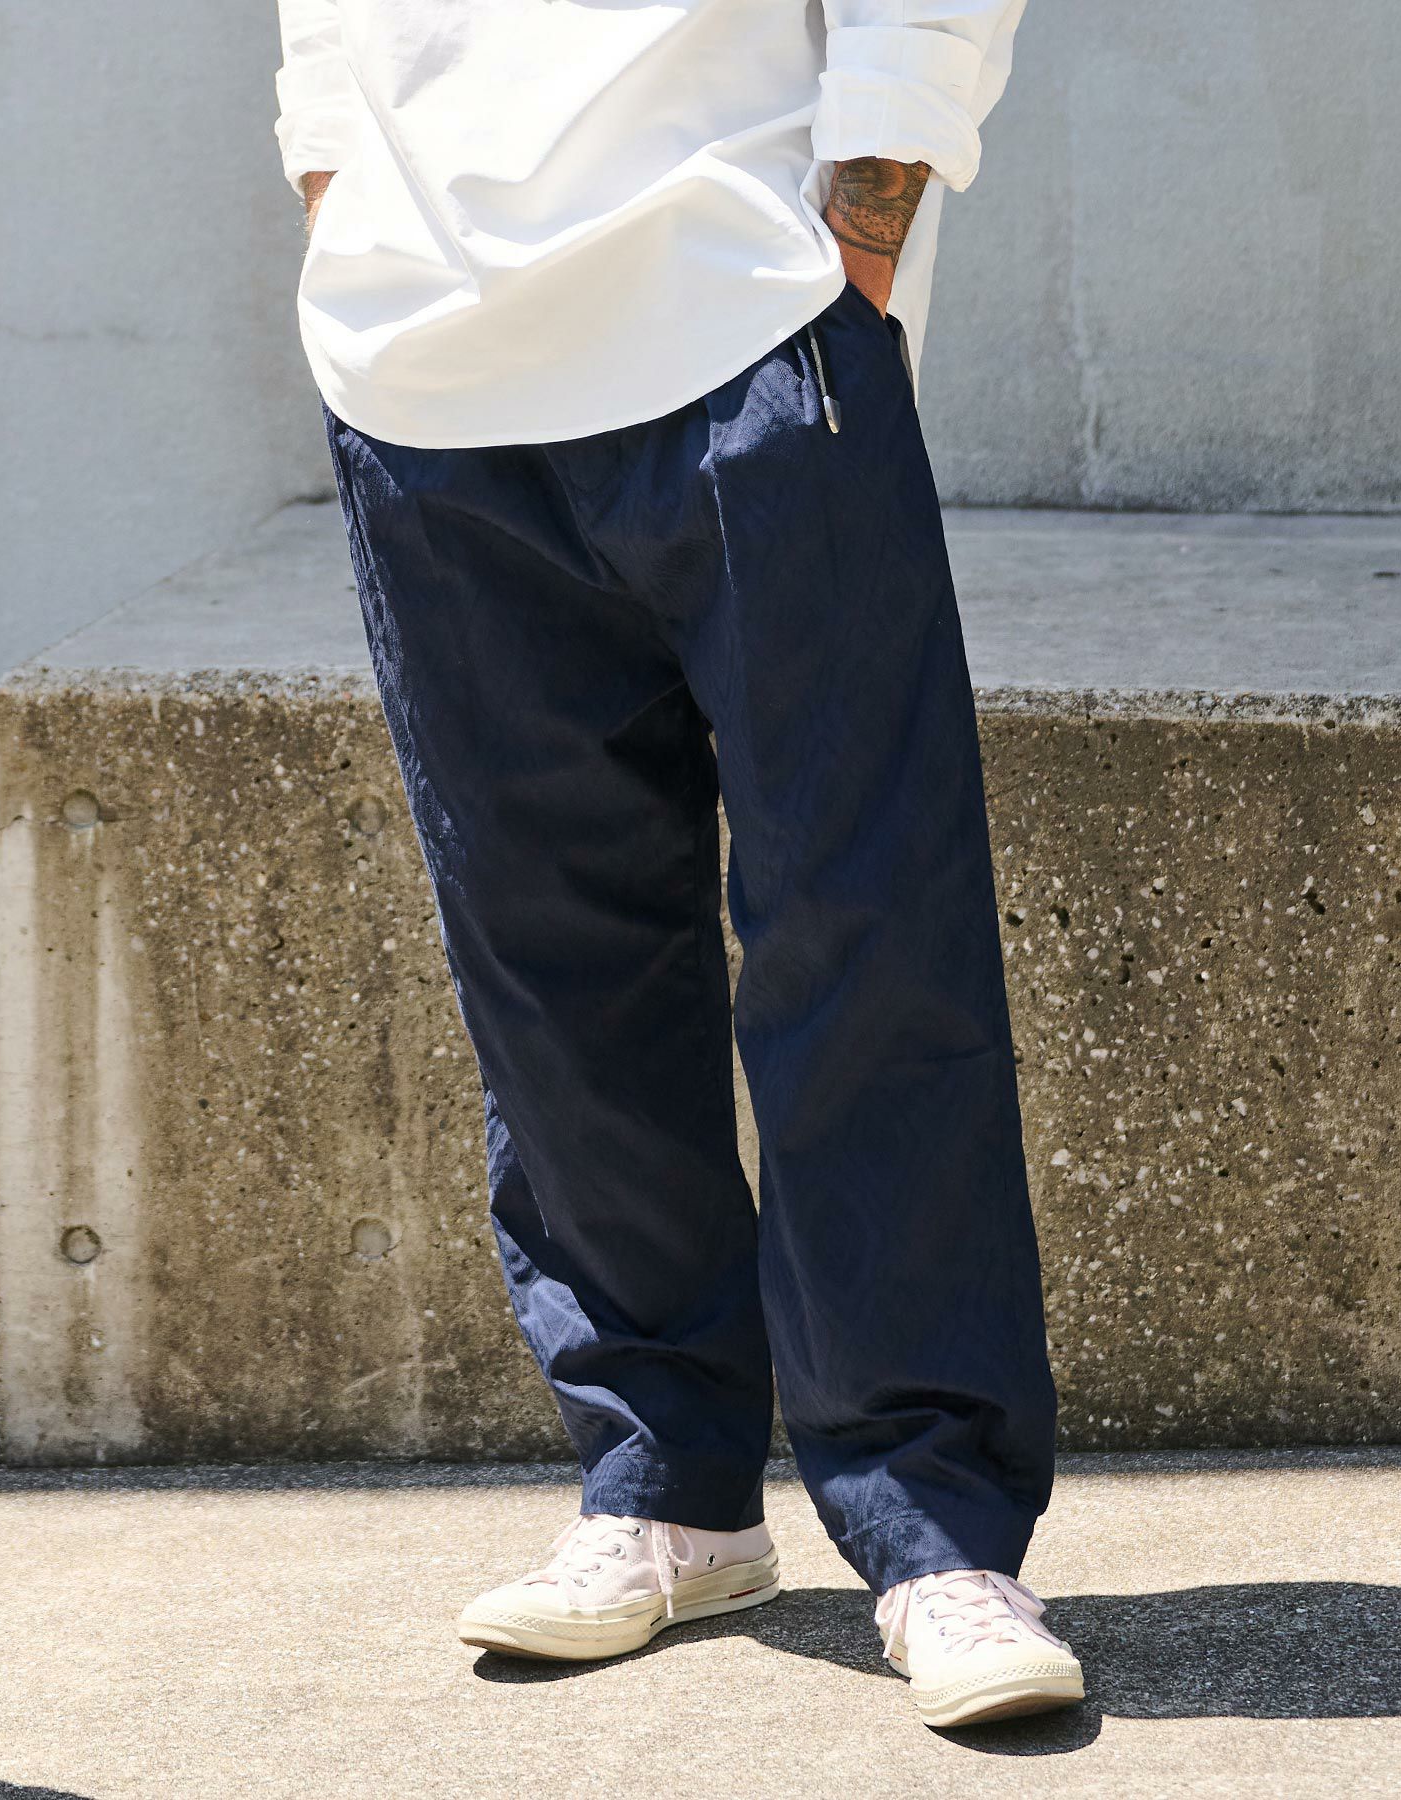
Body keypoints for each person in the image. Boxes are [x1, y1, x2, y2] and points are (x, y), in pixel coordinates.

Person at [273, 0, 1082, 1730]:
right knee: (548, 960)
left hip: (745, 306)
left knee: (864, 932)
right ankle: (666, 1487)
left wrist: (866, 220)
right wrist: (334, 171)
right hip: (420, 356)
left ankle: (935, 1528)